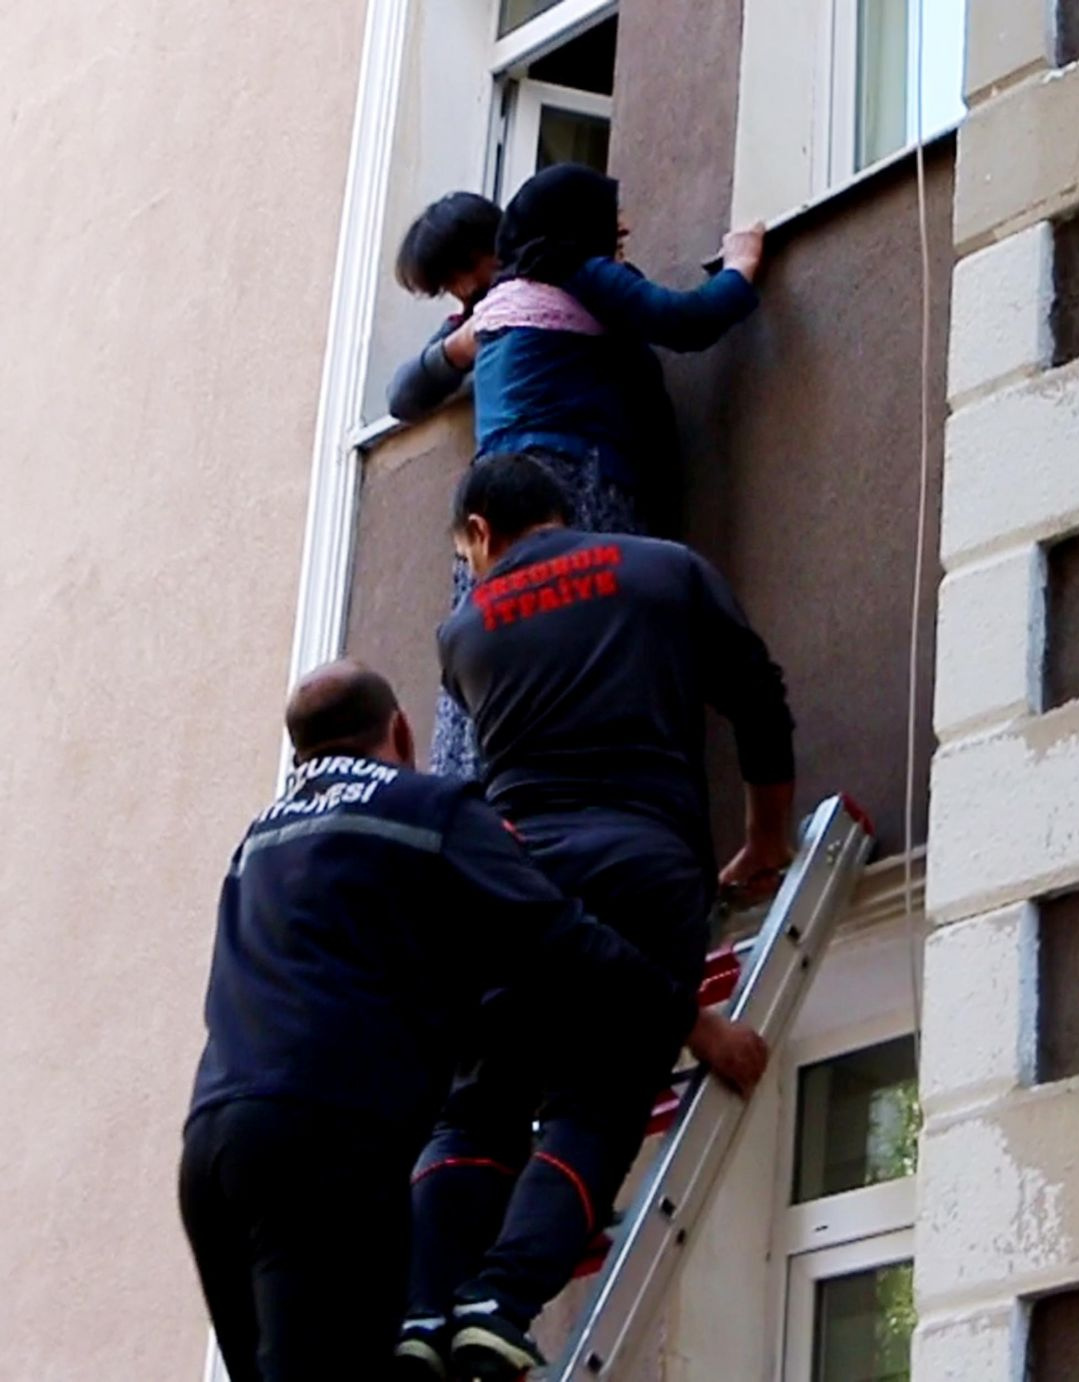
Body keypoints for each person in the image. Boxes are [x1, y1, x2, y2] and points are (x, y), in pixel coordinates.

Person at [178, 659, 766, 1382]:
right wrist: (693, 1022)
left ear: (300, 754)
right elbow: (558, 932)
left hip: (212, 1154)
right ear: (399, 728)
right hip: (324, 1143)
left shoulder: (257, 841)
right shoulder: (426, 810)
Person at [398, 456, 795, 1378]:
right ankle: (500, 1302)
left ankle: (420, 1317)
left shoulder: (462, 634)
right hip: (645, 869)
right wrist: (766, 835)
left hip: (512, 886)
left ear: (482, 535)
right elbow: (757, 696)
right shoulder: (665, 569)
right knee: (602, 1101)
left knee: (480, 1111)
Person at [426, 163, 767, 781]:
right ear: (579, 226)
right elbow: (684, 322)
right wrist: (741, 266)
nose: (624, 229)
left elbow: (410, 389)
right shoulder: (576, 272)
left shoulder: (502, 299)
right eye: (609, 220)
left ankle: (476, 797)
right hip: (568, 479)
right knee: (591, 638)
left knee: (497, 653)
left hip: (489, 501)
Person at [386, 191, 502, 423]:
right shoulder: (465, 323)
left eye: (469, 267)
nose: (467, 288)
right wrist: (459, 347)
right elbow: (400, 398)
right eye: (450, 283)